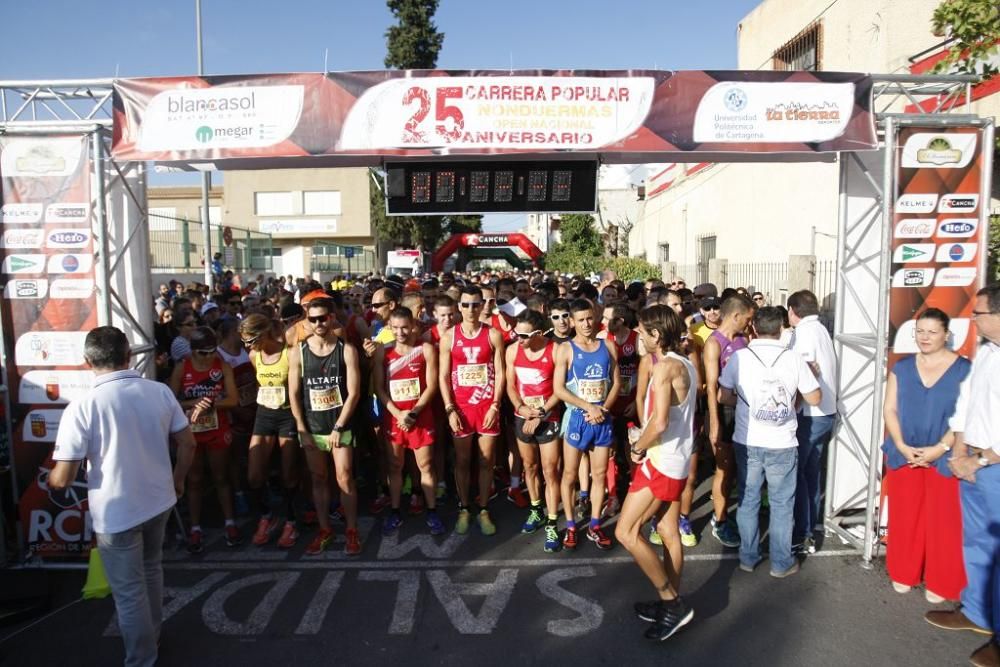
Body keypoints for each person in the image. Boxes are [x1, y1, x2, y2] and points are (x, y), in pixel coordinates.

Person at [50, 327, 197, 667]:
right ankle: (152, 637)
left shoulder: (82, 407)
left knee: (130, 591)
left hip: (117, 512)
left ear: (88, 362)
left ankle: (142, 658)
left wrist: (55, 482)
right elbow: (188, 443)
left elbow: (64, 475)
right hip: (159, 500)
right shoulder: (158, 391)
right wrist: (178, 481)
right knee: (151, 570)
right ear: (128, 355)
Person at [926, 283, 1000, 667]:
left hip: (993, 467)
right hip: (972, 461)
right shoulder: (987, 352)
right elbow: (967, 402)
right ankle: (978, 613)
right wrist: (958, 450)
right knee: (978, 544)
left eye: (980, 313)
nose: (974, 319)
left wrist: (983, 459)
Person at [719, 306, 821, 578]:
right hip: (782, 441)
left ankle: (748, 557)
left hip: (747, 438)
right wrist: (793, 401)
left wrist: (743, 403)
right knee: (781, 504)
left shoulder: (739, 357)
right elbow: (815, 398)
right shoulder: (794, 358)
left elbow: (723, 396)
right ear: (780, 330)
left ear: (754, 329)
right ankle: (780, 562)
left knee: (748, 499)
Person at [616, 305, 697, 642]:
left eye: (643, 332)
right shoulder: (685, 362)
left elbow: (661, 422)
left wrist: (638, 447)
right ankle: (671, 604)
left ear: (657, 335)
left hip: (661, 461)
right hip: (674, 459)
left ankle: (671, 601)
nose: (638, 337)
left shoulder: (665, 368)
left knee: (626, 532)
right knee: (666, 530)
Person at [881, 308, 969, 602]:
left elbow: (965, 416)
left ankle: (940, 580)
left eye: (932, 332)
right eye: (920, 331)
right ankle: (904, 572)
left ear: (946, 334)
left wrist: (940, 448)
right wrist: (902, 444)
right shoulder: (902, 368)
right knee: (906, 517)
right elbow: (889, 409)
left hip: (945, 455)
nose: (925, 337)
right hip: (904, 452)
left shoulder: (964, 369)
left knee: (944, 522)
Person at [288, 298, 363, 555]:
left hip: (339, 425)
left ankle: (351, 531)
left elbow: (354, 393)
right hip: (312, 426)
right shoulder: (297, 352)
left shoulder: (346, 350)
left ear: (332, 318)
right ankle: (325, 530)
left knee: (344, 478)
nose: (319, 323)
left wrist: (339, 426)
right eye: (313, 319)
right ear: (306, 321)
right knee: (318, 479)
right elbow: (294, 394)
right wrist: (301, 429)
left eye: (323, 318)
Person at [438, 285, 506, 536]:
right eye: (465, 305)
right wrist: (449, 409)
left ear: (483, 306)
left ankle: (484, 508)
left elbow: (501, 373)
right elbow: (443, 376)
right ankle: (464, 507)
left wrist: (496, 405)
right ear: (459, 307)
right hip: (461, 409)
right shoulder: (449, 337)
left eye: (475, 304)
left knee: (487, 461)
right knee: (463, 461)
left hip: (487, 407)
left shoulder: (493, 334)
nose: (470, 309)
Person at [372, 306, 445, 536]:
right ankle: (395, 511)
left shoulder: (425, 350)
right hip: (395, 418)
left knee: (425, 465)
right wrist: (397, 413)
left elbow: (432, 386)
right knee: (395, 466)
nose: (401, 332)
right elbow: (379, 388)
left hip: (420, 417)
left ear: (413, 325)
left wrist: (413, 413)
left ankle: (432, 511)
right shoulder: (383, 352)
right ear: (390, 328)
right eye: (395, 328)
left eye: (405, 327)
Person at [555, 298, 621, 551]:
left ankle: (594, 525)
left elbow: (615, 383)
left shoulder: (608, 346)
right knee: (570, 475)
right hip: (577, 420)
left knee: (600, 474)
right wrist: (588, 407)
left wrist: (602, 408)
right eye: (580, 320)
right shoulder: (566, 349)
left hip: (601, 419)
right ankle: (571, 526)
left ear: (596, 318)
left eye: (589, 318)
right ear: (572, 322)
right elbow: (558, 389)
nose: (586, 324)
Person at [169, 326, 240, 552]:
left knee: (220, 476)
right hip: (191, 431)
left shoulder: (223, 366)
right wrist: (193, 404)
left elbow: (233, 400)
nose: (209, 357)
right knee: (195, 479)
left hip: (217, 428)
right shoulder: (182, 368)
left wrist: (209, 403)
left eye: (212, 351)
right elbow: (169, 401)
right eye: (203, 353)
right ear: (192, 351)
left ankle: (230, 523)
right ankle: (196, 527)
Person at [241, 314, 301, 548]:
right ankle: (267, 516)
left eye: (251, 340)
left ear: (264, 333)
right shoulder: (254, 356)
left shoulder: (289, 353)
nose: (248, 345)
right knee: (254, 475)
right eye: (244, 341)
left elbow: (296, 391)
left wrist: (300, 424)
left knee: (288, 474)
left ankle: (290, 521)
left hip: (287, 415)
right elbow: (259, 385)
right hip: (264, 415)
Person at [506, 309, 563, 553]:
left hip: (548, 417)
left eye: (524, 335)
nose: (519, 338)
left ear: (539, 333)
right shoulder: (512, 350)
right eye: (517, 333)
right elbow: (510, 385)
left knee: (550, 471)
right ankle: (535, 508)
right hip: (523, 416)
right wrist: (520, 407)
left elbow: (559, 390)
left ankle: (552, 522)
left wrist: (540, 413)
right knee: (530, 467)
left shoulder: (556, 350)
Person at [787, 289, 838, 554]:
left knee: (797, 475)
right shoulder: (820, 329)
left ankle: (802, 533)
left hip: (810, 414)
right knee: (810, 473)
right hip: (824, 413)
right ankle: (810, 526)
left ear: (792, 311)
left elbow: (805, 370)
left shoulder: (805, 333)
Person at [702, 295, 753, 548]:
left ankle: (736, 515)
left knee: (737, 468)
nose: (748, 323)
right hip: (724, 413)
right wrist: (714, 423)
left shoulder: (744, 340)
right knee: (723, 468)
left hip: (744, 412)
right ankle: (720, 520)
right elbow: (712, 388)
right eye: (747, 318)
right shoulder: (714, 344)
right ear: (736, 316)